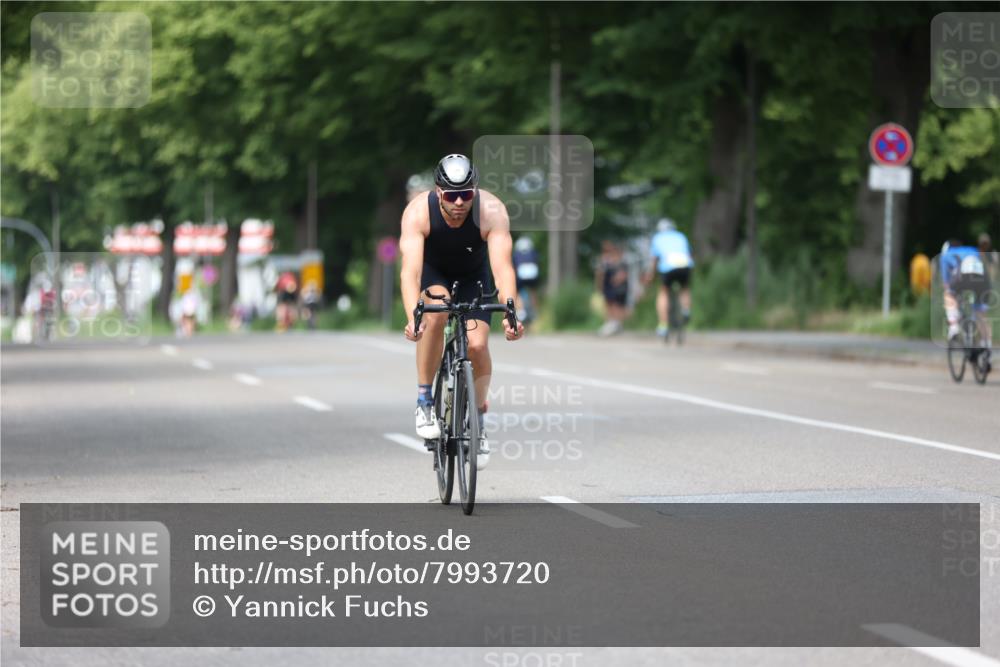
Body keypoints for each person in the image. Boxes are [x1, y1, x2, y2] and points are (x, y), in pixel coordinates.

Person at [399, 153, 524, 470]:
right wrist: (412, 316)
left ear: (475, 192)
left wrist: (511, 312)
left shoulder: (491, 211)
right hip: (434, 273)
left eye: (465, 195)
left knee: (478, 345)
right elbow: (410, 273)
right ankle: (425, 400)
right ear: (438, 192)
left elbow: (503, 269)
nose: (458, 203)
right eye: (451, 196)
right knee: (437, 312)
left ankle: (477, 420)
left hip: (474, 277)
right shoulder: (417, 213)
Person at [940, 240, 992, 358]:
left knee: (949, 294)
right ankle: (986, 345)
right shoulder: (972, 250)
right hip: (982, 278)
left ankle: (954, 328)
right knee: (980, 314)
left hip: (963, 276)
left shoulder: (945, 256)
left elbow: (946, 283)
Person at [645, 218, 694, 338]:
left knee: (663, 292)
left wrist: (651, 275)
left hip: (668, 265)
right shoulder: (680, 236)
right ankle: (686, 310)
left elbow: (655, 260)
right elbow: (689, 254)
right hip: (685, 264)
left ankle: (663, 325)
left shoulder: (657, 238)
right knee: (684, 289)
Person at [595, 240, 629, 336]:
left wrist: (616, 280)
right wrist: (599, 285)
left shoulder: (619, 260)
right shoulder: (604, 260)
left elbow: (623, 273)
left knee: (616, 305)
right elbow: (600, 274)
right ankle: (610, 323)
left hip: (615, 287)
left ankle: (616, 324)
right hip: (608, 286)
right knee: (609, 304)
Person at [512, 236, 540, 327]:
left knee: (518, 291)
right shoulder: (533, 252)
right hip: (533, 272)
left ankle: (521, 311)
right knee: (533, 290)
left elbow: (514, 266)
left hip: (521, 272)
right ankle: (535, 311)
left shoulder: (516, 254)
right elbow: (537, 262)